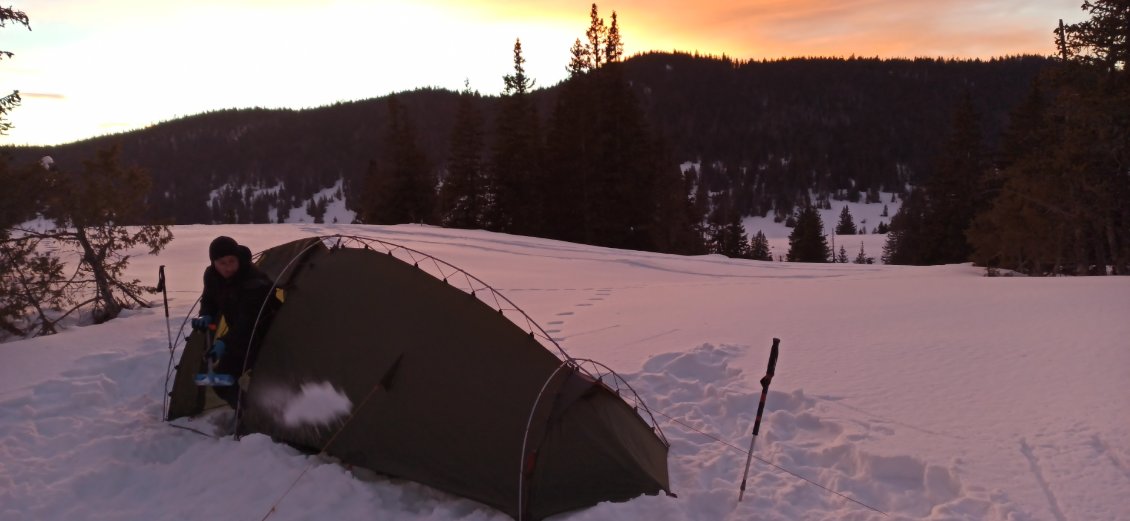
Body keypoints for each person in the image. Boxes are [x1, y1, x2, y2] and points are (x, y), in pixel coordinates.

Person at [191, 236, 276, 409]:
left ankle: (254, 414)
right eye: (222, 262)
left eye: (231, 261)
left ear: (238, 259)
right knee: (221, 381)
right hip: (239, 338)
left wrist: (224, 343)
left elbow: (248, 322)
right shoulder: (212, 276)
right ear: (213, 262)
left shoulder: (253, 281)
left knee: (258, 380)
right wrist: (205, 316)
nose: (227, 267)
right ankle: (248, 412)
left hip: (267, 337)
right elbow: (209, 300)